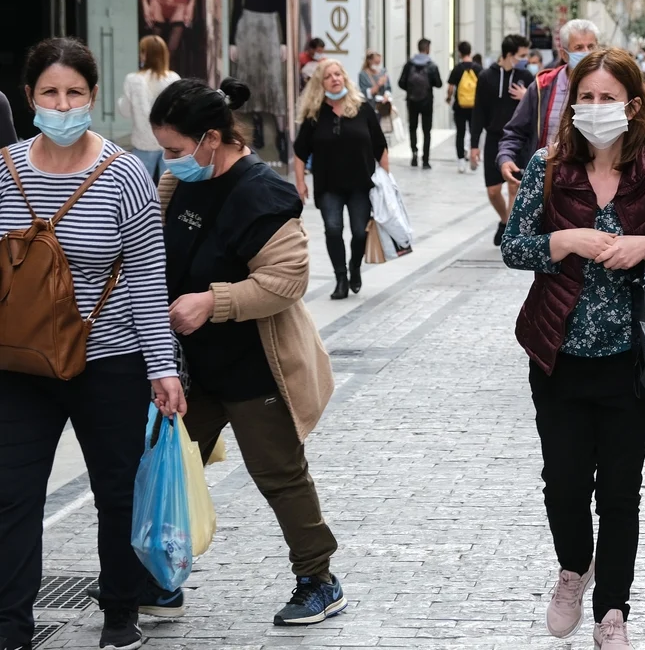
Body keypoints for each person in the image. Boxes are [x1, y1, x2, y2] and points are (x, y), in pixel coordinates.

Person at [500, 47, 645, 650]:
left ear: (632, 105)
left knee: (618, 490)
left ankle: (613, 609)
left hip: (631, 363)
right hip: (556, 353)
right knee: (562, 482)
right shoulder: (548, 167)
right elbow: (514, 246)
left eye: (608, 97)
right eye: (586, 97)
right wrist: (565, 240)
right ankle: (571, 572)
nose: (595, 107)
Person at [0, 38, 185, 650]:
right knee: (13, 497)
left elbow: (144, 276)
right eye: (49, 93)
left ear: (93, 97)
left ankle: (119, 614)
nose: (61, 103)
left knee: (115, 491)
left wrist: (163, 369)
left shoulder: (125, 173)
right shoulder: (4, 171)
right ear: (29, 99)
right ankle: (11, 627)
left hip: (107, 361)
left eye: (73, 92)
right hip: (21, 364)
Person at [150, 77, 345, 627]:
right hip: (191, 368)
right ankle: (158, 575)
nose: (168, 160)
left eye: (174, 148)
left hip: (257, 366)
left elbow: (288, 280)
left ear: (211, 138)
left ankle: (319, 579)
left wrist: (212, 302)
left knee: (279, 474)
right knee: (163, 465)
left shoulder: (263, 192)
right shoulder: (179, 180)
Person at [292, 59, 389, 300]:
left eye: (338, 74)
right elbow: (300, 151)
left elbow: (380, 146)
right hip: (328, 186)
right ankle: (341, 278)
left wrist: (387, 181)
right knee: (333, 229)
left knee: (359, 232)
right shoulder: (315, 114)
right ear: (320, 83)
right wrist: (301, 183)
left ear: (344, 77)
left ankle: (355, 266)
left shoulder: (362, 108)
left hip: (361, 184)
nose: (335, 79)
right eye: (329, 76)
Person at [496, 19, 600, 185]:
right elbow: (516, 130)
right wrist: (506, 156)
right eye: (579, 47)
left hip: (596, 183)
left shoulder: (611, 87)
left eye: (591, 46)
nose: (587, 52)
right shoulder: (543, 86)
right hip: (549, 181)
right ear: (564, 54)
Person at [229, 0, 288, 160]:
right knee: (249, 77)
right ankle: (257, 125)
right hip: (247, 28)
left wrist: (284, 41)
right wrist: (233, 41)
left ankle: (282, 135)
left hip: (271, 26)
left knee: (272, 79)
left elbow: (283, 7)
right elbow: (236, 8)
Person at [470, 34, 534, 246]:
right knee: (493, 190)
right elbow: (478, 111)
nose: (526, 59)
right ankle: (505, 219)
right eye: (522, 55)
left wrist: (527, 95)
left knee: (514, 187)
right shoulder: (486, 76)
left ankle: (508, 232)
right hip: (494, 138)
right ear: (509, 55)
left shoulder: (526, 76)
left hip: (518, 140)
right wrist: (473, 145)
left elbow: (537, 107)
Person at [118, 35, 181, 182]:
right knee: (168, 189)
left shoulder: (133, 79)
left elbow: (125, 111)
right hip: (169, 143)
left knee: (140, 188)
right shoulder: (173, 79)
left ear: (145, 54)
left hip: (143, 143)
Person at [398, 39, 443, 169]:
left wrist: (410, 89)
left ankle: (414, 154)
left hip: (412, 101)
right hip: (427, 102)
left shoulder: (409, 65)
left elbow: (401, 82)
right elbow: (439, 84)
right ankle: (425, 160)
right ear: (427, 48)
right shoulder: (432, 66)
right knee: (426, 131)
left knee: (413, 128)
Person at [447, 42, 483, 173]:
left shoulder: (457, 69)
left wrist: (449, 98)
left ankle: (461, 162)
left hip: (460, 106)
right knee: (475, 132)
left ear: (460, 53)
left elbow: (450, 87)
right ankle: (474, 158)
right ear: (470, 52)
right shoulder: (478, 68)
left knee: (460, 133)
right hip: (475, 107)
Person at [357, 50, 393, 122]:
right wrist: (378, 85)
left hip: (383, 107)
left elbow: (388, 88)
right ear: (369, 61)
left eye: (379, 62)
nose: (378, 65)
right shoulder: (363, 75)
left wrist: (386, 95)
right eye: (376, 62)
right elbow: (365, 93)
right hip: (371, 107)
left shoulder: (383, 72)